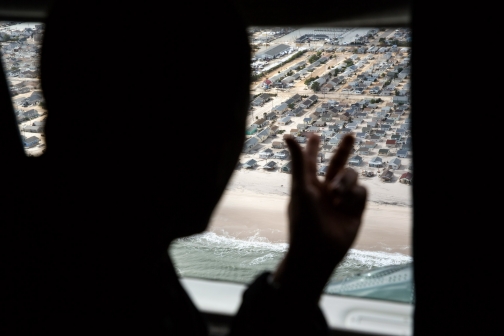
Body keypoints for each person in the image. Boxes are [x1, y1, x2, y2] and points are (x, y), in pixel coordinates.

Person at [0, 1, 366, 335]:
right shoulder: (87, 283)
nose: (224, 149)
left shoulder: (104, 245)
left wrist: (301, 273)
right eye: (200, 120)